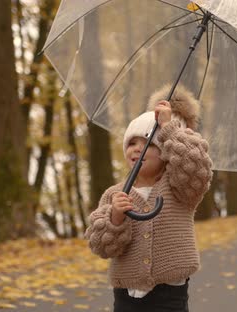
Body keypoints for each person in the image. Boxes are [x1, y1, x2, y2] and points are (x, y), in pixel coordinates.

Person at [84, 85, 213, 312]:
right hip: (127, 298)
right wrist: (115, 218)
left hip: (170, 296)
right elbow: (101, 246)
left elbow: (196, 165)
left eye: (148, 143)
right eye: (132, 143)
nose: (137, 149)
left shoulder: (180, 188)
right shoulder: (114, 194)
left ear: (166, 151)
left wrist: (169, 129)